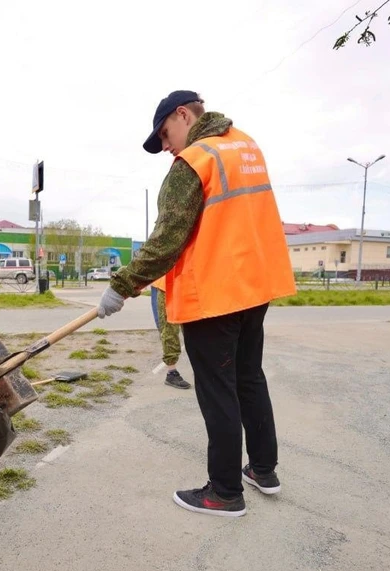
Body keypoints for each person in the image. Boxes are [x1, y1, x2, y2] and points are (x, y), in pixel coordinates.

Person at [97, 91, 296, 517]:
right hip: (255, 286)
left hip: (214, 295)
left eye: (165, 135)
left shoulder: (194, 160)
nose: (166, 147)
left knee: (218, 391)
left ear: (183, 115)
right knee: (248, 378)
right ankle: (263, 470)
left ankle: (224, 493)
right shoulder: (244, 147)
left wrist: (122, 285)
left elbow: (167, 240)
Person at [149, 274, 191, 389]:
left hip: (187, 283)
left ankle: (202, 371)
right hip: (166, 285)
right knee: (169, 328)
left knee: (193, 329)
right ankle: (171, 372)